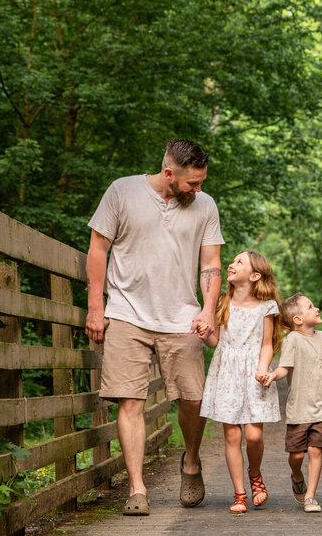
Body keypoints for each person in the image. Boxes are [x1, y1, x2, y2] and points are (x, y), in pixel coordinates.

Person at [86, 139, 224, 516]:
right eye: (192, 183)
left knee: (194, 399)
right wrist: (95, 307)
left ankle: (191, 461)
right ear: (169, 173)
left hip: (182, 316)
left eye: (201, 183)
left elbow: (211, 262)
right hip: (127, 312)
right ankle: (137, 489)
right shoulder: (122, 191)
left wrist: (209, 310)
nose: (198, 190)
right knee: (130, 399)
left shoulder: (205, 205)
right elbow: (98, 247)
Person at [198, 250, 282, 514]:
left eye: (239, 262)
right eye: (232, 261)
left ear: (255, 275)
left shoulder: (266, 306)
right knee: (232, 434)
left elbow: (267, 344)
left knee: (253, 435)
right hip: (227, 374)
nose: (231, 265)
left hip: (254, 371)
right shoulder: (222, 302)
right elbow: (217, 343)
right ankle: (240, 494)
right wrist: (205, 336)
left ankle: (255, 473)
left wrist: (262, 369)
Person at [259, 293, 322, 513]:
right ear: (298, 319)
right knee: (297, 455)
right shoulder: (293, 340)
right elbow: (284, 368)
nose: (316, 308)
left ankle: (310, 496)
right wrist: (271, 375)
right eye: (310, 307)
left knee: (315, 450)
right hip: (299, 409)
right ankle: (297, 475)